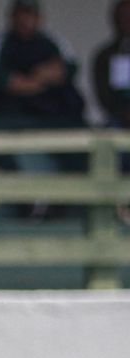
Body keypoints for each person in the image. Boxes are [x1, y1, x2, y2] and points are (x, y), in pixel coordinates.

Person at [0, 0, 88, 216]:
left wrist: (37, 78)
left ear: (39, 18)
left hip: (53, 117)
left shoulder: (52, 40)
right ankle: (22, 202)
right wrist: (37, 82)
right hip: (11, 116)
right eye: (22, 14)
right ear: (12, 17)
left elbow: (69, 69)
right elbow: (0, 79)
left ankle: (67, 205)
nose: (26, 20)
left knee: (83, 143)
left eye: (31, 15)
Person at [90, 0, 130, 223]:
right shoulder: (105, 55)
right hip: (118, 120)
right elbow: (103, 95)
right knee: (107, 139)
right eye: (122, 17)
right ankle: (115, 204)